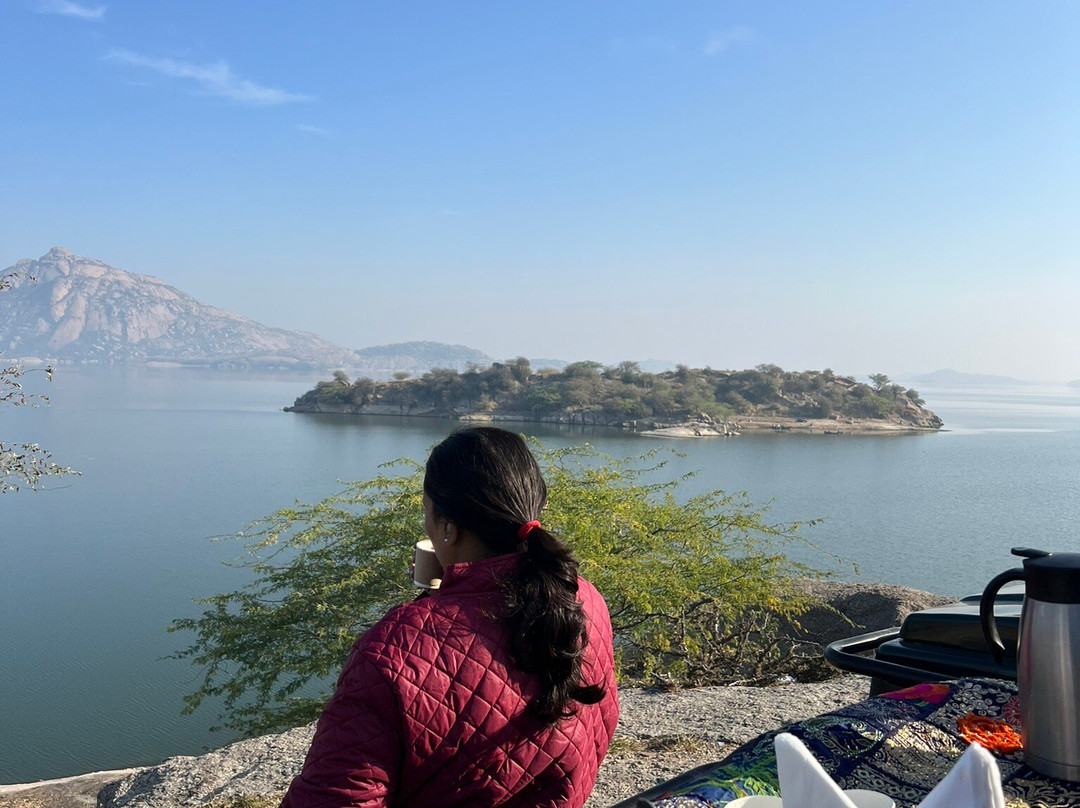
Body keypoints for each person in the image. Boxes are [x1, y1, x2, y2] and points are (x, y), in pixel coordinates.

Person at [280, 426, 619, 808]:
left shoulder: (391, 652)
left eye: (427, 513)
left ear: (446, 528)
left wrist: (431, 609)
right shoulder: (583, 597)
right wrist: (447, 594)